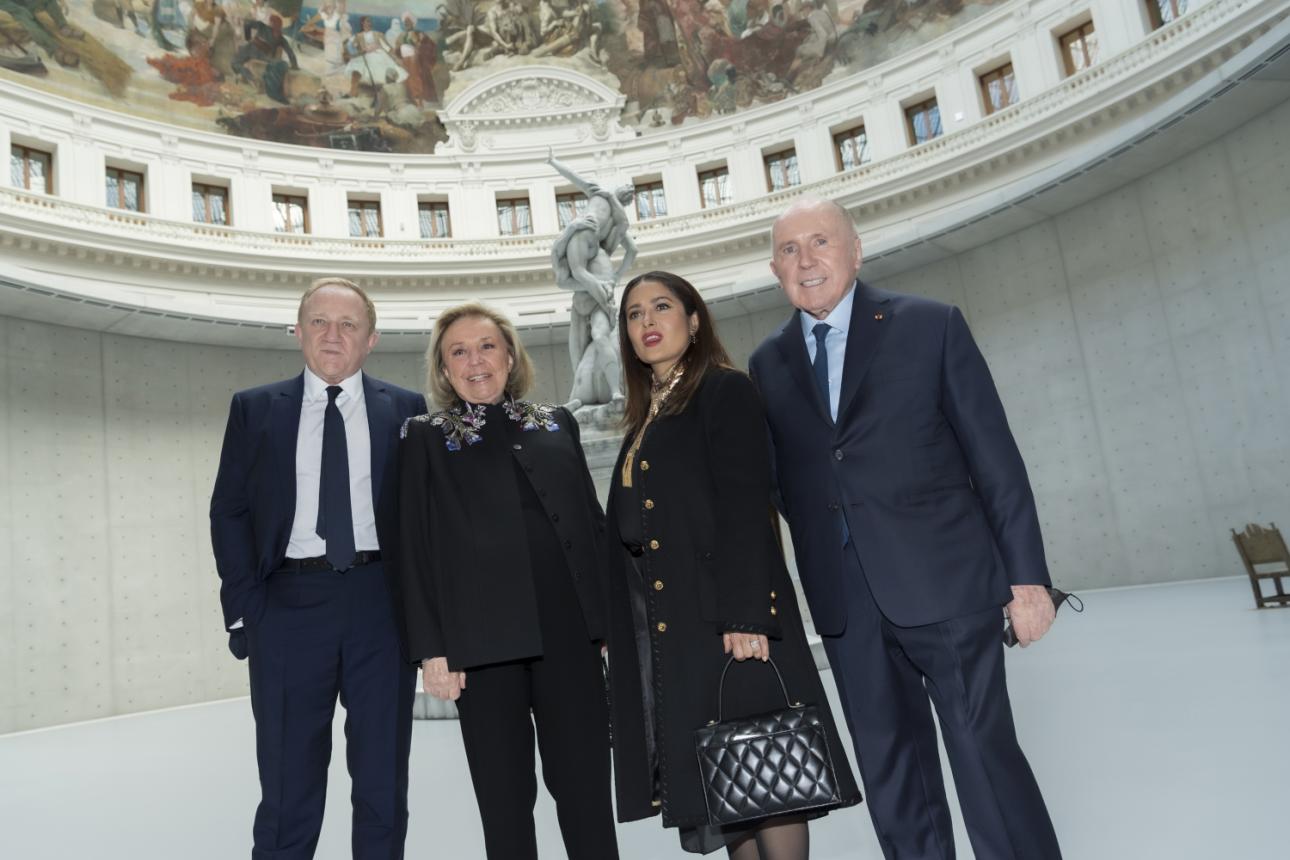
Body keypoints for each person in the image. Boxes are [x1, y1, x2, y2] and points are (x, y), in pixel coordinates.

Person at [748, 197, 1062, 860]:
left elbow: (995, 459)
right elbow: (784, 484)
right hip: (846, 603)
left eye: (820, 242)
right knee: (893, 775)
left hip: (946, 584)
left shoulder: (930, 325)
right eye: (788, 250)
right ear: (773, 269)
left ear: (855, 252)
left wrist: (1028, 578)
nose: (805, 260)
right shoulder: (767, 364)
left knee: (984, 758)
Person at [605, 271, 861, 858]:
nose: (646, 321)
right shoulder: (646, 413)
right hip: (683, 628)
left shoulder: (723, 390)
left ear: (694, 323)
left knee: (768, 781)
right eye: (634, 313)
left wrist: (746, 615)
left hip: (733, 623)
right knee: (730, 786)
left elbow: (747, 506)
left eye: (661, 307)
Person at [210, 277, 425, 859]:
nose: (333, 335)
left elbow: (423, 519)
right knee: (286, 782)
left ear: (371, 338)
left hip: (381, 606)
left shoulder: (407, 410)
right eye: (320, 322)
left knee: (382, 778)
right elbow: (229, 510)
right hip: (286, 607)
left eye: (348, 324)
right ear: (299, 331)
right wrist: (248, 611)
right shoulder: (254, 409)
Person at [396, 303, 619, 860]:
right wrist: (431, 651)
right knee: (505, 805)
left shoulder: (556, 421)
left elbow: (592, 527)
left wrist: (609, 619)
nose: (476, 361)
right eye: (459, 351)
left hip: (570, 639)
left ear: (511, 355)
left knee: (587, 796)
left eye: (488, 346)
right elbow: (412, 550)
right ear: (444, 370)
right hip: (482, 650)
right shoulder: (425, 436)